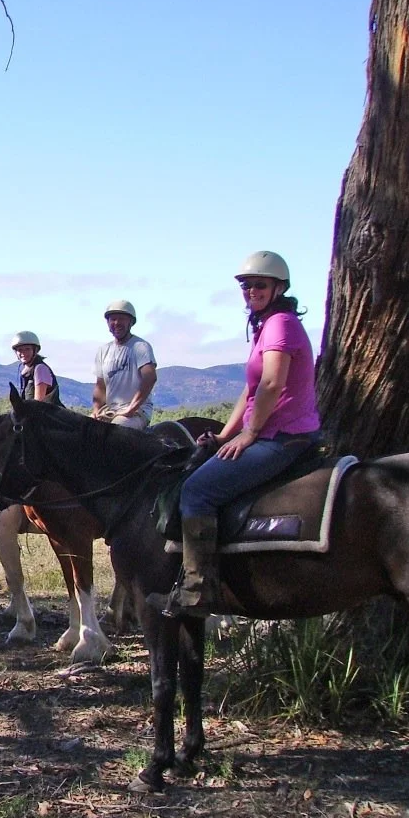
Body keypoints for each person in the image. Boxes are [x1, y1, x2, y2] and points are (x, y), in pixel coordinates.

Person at [159, 251, 321, 617]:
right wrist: (223, 436)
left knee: (197, 492)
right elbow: (249, 392)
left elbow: (271, 383)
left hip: (282, 436)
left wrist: (249, 434)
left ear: (279, 287)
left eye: (259, 285)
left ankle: (197, 590)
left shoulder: (280, 324)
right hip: (268, 431)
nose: (251, 291)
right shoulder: (266, 327)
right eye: (246, 286)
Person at [92, 299, 157, 429]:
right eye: (112, 319)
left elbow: (150, 378)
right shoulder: (103, 351)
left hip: (137, 412)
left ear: (131, 322)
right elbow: (101, 386)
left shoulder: (140, 347)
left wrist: (131, 409)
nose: (116, 323)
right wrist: (96, 411)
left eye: (121, 319)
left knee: (117, 430)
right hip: (111, 410)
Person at [11, 331, 63, 406]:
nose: (23, 353)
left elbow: (38, 403)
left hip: (48, 415)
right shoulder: (25, 371)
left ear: (35, 350)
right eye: (20, 350)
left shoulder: (40, 369)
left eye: (27, 349)